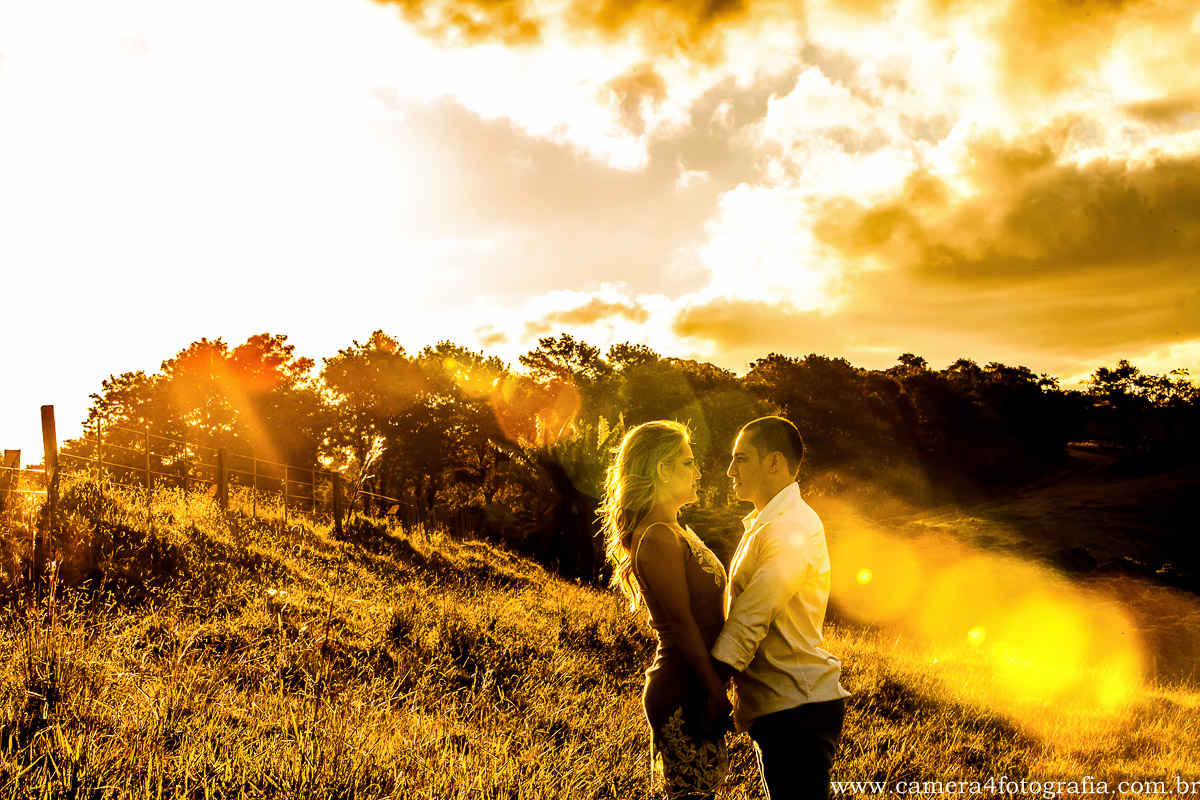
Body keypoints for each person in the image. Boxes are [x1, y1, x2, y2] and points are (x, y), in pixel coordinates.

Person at [711, 415, 850, 800]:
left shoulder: (791, 527)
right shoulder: (768, 522)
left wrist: (709, 688)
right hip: (781, 706)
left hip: (796, 709)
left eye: (741, 458)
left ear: (774, 462)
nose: (730, 470)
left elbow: (751, 617)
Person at [601, 420, 733, 799]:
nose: (699, 472)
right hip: (683, 686)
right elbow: (682, 625)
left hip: (698, 681)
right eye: (688, 463)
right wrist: (716, 693)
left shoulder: (675, 529)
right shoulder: (657, 536)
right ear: (662, 469)